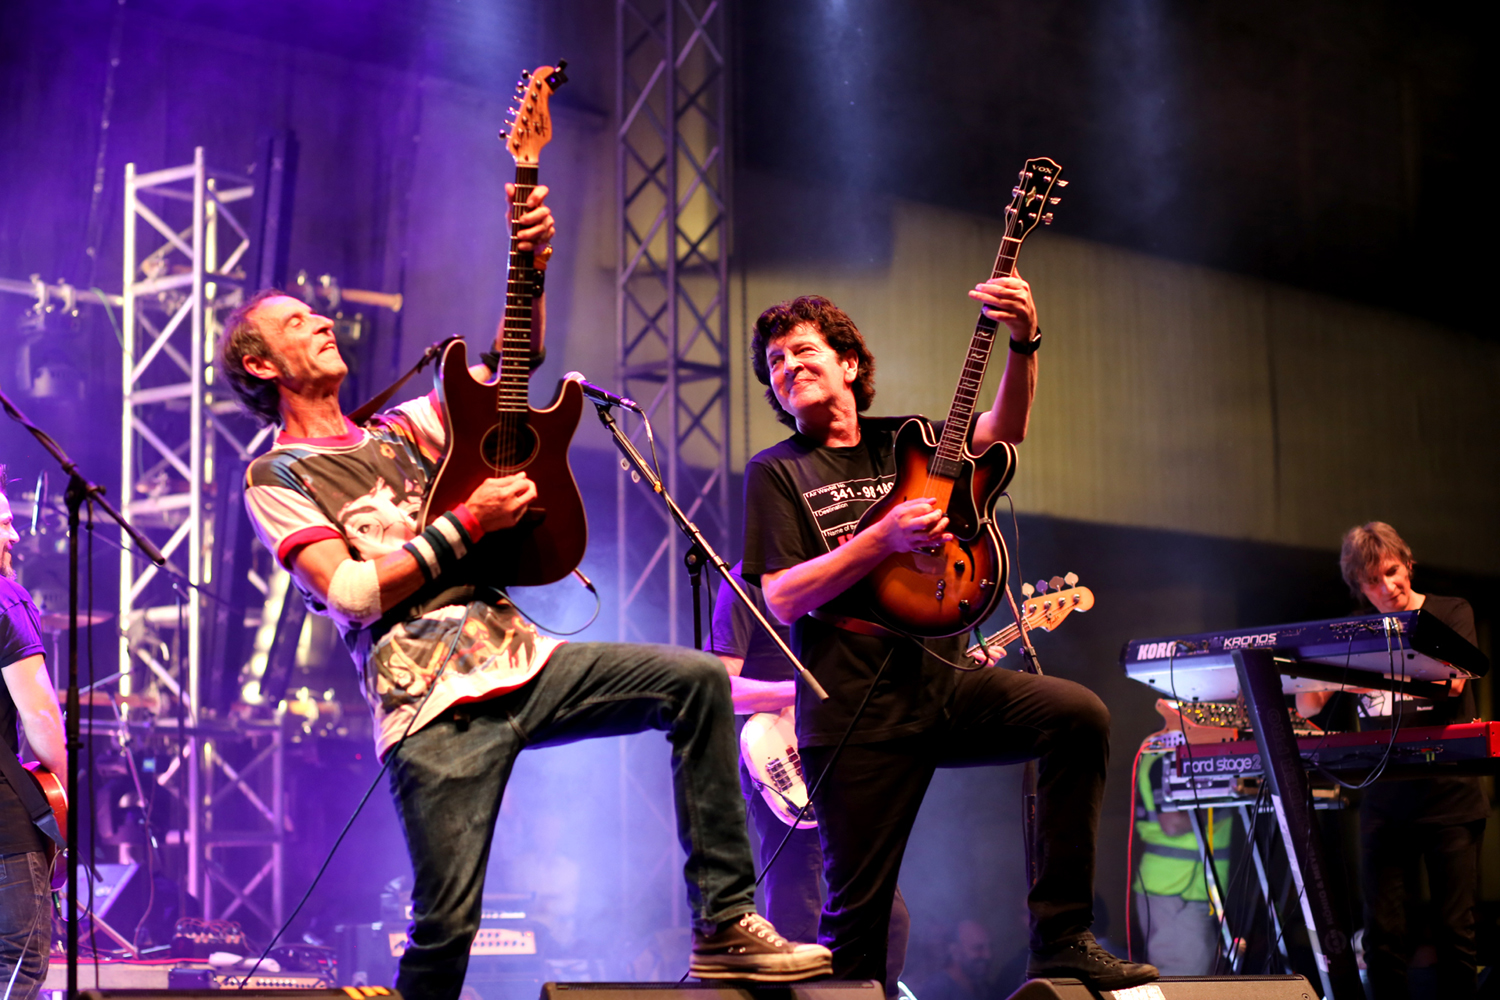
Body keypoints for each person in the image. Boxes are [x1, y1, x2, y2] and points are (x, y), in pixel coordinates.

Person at [218, 186, 829, 1000]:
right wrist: (469, 522)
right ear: (260, 365)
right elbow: (354, 591)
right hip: (430, 708)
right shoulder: (276, 474)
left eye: (315, 314)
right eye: (296, 323)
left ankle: (723, 921)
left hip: (524, 660)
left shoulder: (405, 428)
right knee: (445, 928)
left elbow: (514, 369)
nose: (322, 321)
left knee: (693, 682)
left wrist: (530, 260)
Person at [739, 289, 1157, 993]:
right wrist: (882, 537)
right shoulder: (777, 470)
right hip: (853, 710)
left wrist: (1024, 339)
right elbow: (782, 596)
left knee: (1078, 716)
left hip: (944, 682)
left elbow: (1004, 428)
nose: (788, 367)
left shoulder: (906, 440)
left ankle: (1061, 938)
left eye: (803, 351)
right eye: (775, 362)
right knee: (860, 929)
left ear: (848, 363)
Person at [1298, 522, 1486, 1000]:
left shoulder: (1450, 611)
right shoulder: (1357, 631)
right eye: (1372, 582)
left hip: (1449, 797)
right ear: (1359, 588)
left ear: (1408, 564)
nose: (1387, 587)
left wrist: (1367, 675)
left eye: (1392, 572)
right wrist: (1334, 675)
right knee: (1382, 936)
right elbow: (1308, 705)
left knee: (1454, 932)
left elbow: (1452, 682)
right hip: (1385, 801)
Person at [708, 563, 910, 988]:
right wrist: (806, 691)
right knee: (798, 916)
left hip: (847, 757)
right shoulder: (745, 583)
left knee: (887, 919)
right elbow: (721, 688)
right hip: (783, 760)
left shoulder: (850, 572)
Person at [0, 467, 67, 1000]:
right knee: (16, 972)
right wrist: (59, 813)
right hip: (4, 832)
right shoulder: (6, 599)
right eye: (3, 524)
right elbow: (41, 719)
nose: (15, 536)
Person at [1130, 750, 1230, 975]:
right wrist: (1222, 799)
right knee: (1185, 983)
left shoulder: (1165, 754)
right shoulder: (1167, 757)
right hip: (1177, 890)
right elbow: (1173, 824)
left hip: (1181, 890)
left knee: (1192, 979)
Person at [917, 920, 1003, 1000]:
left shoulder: (984, 989)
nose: (988, 955)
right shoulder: (937, 990)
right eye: (978, 948)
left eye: (990, 947)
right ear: (955, 951)